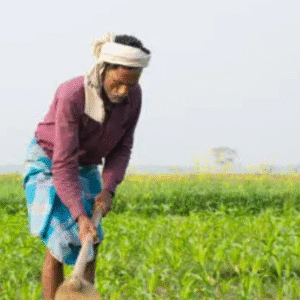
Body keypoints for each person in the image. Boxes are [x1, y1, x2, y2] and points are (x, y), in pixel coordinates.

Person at [22, 32, 151, 300]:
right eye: (118, 83)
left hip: (86, 165)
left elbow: (122, 148)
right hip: (49, 162)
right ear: (104, 69)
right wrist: (80, 216)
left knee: (92, 241)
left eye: (131, 83)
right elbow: (65, 161)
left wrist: (108, 189)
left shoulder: (133, 97)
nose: (123, 91)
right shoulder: (72, 94)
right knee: (59, 243)